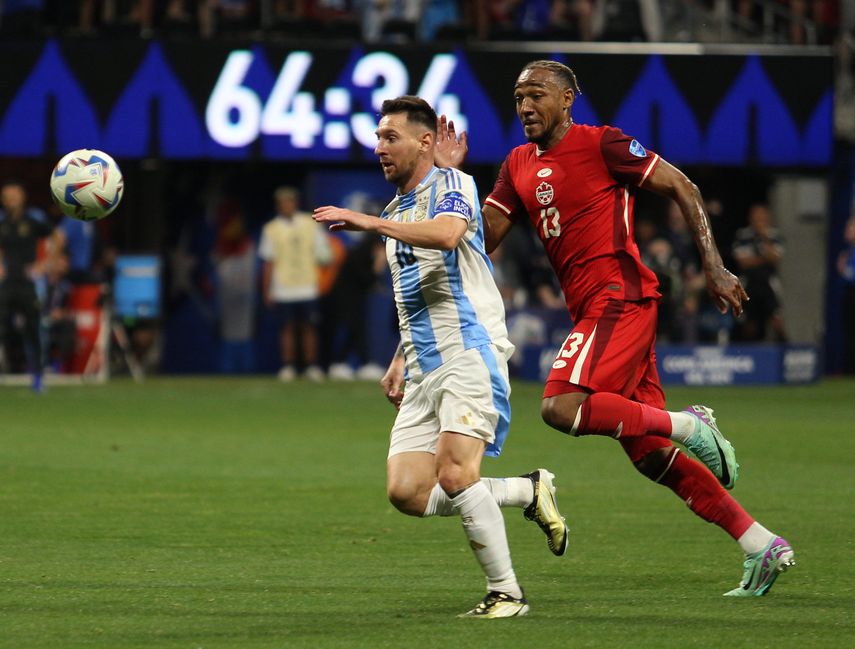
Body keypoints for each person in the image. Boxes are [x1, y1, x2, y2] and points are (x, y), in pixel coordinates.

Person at [437, 59, 794, 597]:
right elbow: (482, 239)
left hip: (619, 297)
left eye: (536, 94)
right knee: (650, 455)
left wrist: (715, 266)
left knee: (560, 406)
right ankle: (760, 543)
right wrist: (448, 181)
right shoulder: (516, 164)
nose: (525, 106)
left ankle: (691, 424)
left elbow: (684, 188)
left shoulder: (602, 144)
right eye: (517, 97)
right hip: (596, 311)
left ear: (567, 98)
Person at [313, 95, 569, 618]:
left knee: (456, 475)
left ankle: (507, 594)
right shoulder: (396, 209)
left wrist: (366, 222)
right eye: (378, 138)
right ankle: (528, 490)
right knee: (407, 492)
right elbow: (418, 291)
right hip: (424, 363)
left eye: (391, 138)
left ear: (424, 142)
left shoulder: (452, 185)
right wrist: (400, 357)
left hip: (468, 352)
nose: (379, 148)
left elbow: (450, 235)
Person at [259, 186, 331, 382]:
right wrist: (267, 290)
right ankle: (289, 366)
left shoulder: (310, 224)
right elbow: (268, 262)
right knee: (287, 327)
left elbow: (324, 255)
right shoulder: (271, 229)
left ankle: (311, 365)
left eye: (289, 201)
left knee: (309, 327)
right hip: (283, 287)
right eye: (282, 202)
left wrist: (322, 280)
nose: (286, 205)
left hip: (308, 285)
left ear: (295, 203)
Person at [0, 180, 57, 392]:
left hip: (27, 283)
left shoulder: (33, 221)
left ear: (22, 197)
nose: (10, 200)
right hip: (6, 283)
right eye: (6, 196)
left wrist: (46, 264)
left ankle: (39, 376)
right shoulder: (3, 222)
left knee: (33, 329)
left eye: (13, 195)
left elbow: (57, 237)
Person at [732, 203, 788, 343]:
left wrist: (764, 237)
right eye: (756, 217)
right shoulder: (743, 235)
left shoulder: (774, 235)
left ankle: (784, 352)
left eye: (762, 217)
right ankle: (747, 353)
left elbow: (774, 257)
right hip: (749, 281)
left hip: (768, 281)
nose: (759, 220)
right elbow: (743, 262)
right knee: (748, 323)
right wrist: (764, 259)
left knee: (777, 320)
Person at [837, 214, 855, 375]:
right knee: (849, 333)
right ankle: (849, 369)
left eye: (850, 228)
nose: (847, 231)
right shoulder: (848, 252)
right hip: (849, 294)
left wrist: (845, 270)